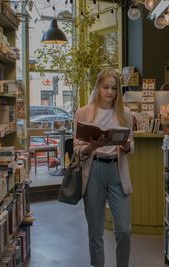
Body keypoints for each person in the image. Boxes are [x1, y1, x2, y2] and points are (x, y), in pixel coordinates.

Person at [73, 68, 134, 267]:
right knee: (95, 231)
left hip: (117, 171)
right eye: (105, 87)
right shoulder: (83, 112)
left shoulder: (125, 114)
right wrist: (92, 146)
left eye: (114, 88)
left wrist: (126, 145)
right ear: (98, 87)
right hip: (94, 171)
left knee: (124, 229)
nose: (109, 92)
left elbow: (130, 145)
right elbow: (76, 149)